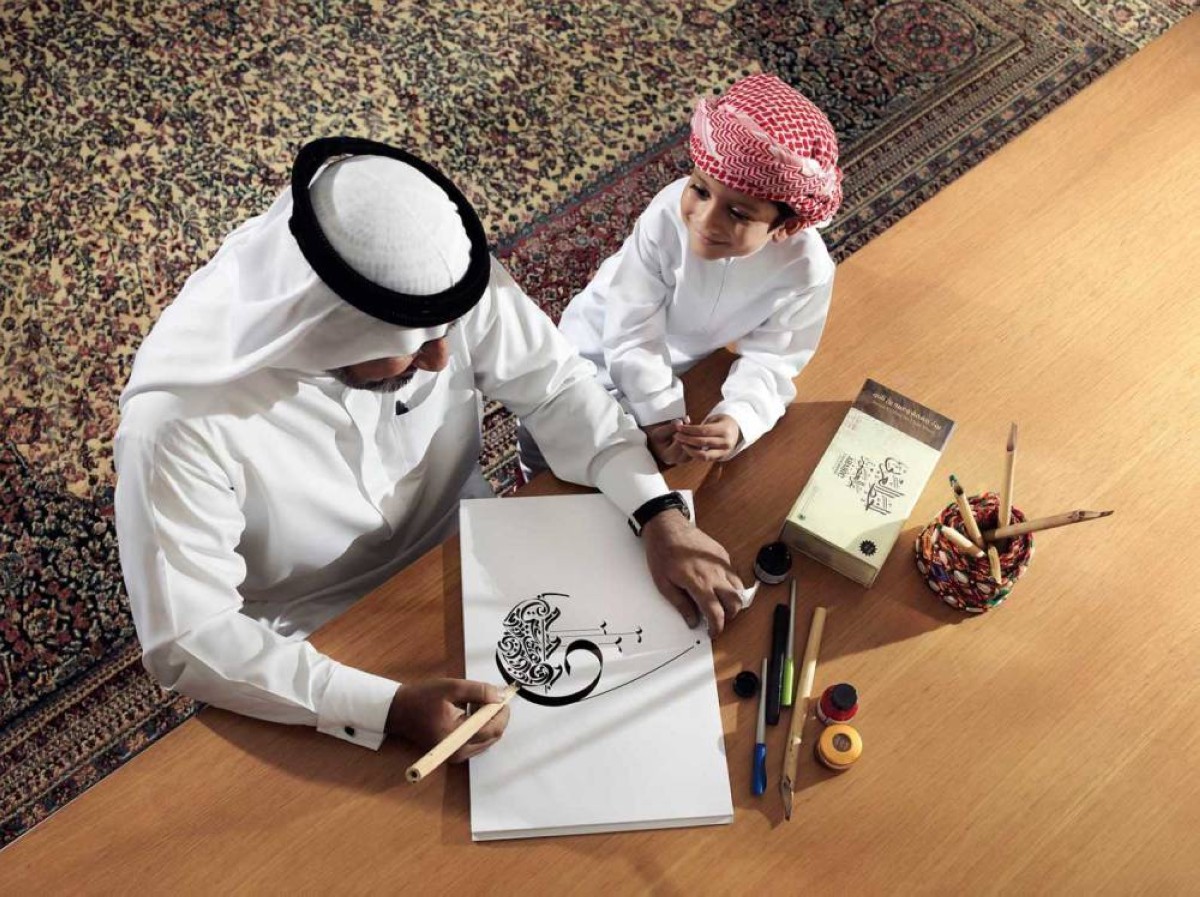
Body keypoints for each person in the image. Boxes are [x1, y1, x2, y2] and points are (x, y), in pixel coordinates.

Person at [114, 138, 746, 765]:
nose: (442, 359)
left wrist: (656, 511)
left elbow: (555, 387)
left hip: (472, 538)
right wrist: (386, 709)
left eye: (446, 335)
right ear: (328, 333)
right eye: (413, 349)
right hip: (313, 637)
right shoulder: (177, 425)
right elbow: (190, 636)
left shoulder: (437, 279)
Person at [537, 74, 841, 472]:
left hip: (677, 368)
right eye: (700, 190)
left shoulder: (806, 270)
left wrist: (739, 418)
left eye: (737, 213)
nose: (705, 220)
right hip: (587, 352)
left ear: (787, 227)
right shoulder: (667, 217)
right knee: (548, 445)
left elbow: (775, 358)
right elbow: (631, 326)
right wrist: (658, 409)